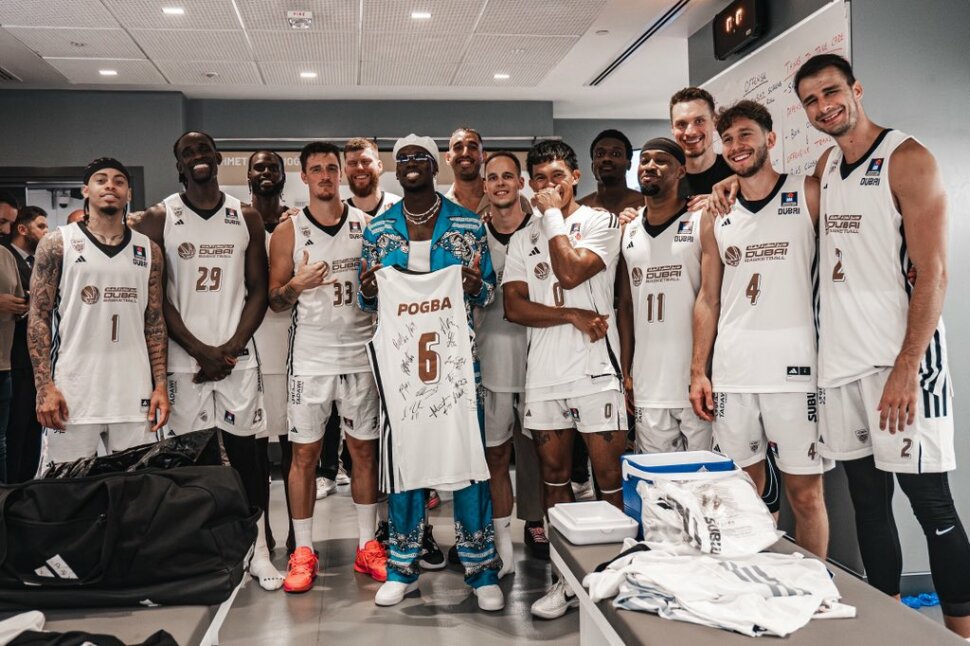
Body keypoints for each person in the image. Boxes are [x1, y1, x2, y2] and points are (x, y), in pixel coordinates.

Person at [795, 54, 968, 634]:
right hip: (841, 366)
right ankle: (888, 629)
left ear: (856, 89)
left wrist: (906, 367)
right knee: (869, 505)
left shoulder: (908, 158)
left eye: (831, 92)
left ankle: (961, 634)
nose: (824, 107)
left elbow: (933, 273)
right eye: (811, 100)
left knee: (933, 507)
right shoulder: (826, 166)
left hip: (901, 368)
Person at [358, 133, 503, 611]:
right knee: (405, 464)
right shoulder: (379, 231)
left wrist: (474, 284)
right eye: (403, 159)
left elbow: (488, 293)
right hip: (402, 372)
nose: (412, 164)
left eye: (421, 157)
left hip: (456, 366)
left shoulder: (467, 224)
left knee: (469, 462)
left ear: (435, 166)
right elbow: (365, 299)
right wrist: (369, 288)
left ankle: (481, 568)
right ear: (395, 169)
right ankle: (402, 567)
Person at [134, 132, 280, 591]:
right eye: (187, 153)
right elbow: (155, 298)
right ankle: (197, 551)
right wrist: (200, 350)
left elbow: (259, 290)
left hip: (238, 360)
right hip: (185, 361)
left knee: (248, 460)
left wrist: (230, 348)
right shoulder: (159, 217)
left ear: (217, 158)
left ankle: (259, 551)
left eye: (203, 150)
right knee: (189, 463)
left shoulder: (245, 216)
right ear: (179, 165)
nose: (197, 157)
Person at [690, 101, 829, 559]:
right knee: (744, 494)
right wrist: (699, 370)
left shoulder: (808, 193)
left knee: (805, 496)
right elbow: (708, 298)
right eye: (728, 139)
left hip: (795, 371)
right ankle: (754, 579)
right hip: (734, 371)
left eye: (745, 135)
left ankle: (813, 583)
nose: (736, 146)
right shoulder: (715, 213)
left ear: (770, 139)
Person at [503, 140, 626, 619]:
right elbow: (515, 307)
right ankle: (566, 579)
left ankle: (614, 574)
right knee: (553, 480)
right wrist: (571, 315)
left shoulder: (601, 221)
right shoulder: (522, 238)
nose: (548, 186)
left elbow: (571, 272)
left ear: (575, 176)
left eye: (557, 176)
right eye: (540, 179)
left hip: (595, 372)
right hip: (545, 376)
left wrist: (553, 215)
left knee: (608, 480)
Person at [268, 141, 387, 592]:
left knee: (364, 452)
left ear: (341, 173)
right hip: (311, 359)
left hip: (360, 354)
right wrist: (296, 285)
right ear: (304, 176)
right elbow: (275, 301)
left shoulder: (367, 226)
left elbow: (383, 291)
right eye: (315, 169)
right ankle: (303, 551)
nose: (324, 175)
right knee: (304, 455)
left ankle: (367, 545)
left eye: (330, 168)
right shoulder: (289, 231)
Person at [27, 159, 168, 470]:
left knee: (136, 488)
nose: (110, 186)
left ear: (129, 192)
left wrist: (160, 385)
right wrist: (44, 388)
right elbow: (38, 316)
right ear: (85, 190)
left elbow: (154, 322)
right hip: (73, 392)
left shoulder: (149, 250)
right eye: (101, 180)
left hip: (133, 391)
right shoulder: (57, 243)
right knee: (66, 489)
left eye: (119, 181)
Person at [616, 138, 711, 454]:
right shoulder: (628, 229)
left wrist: (702, 369)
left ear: (681, 170)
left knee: (705, 474)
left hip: (695, 380)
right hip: (648, 380)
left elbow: (712, 297)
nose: (650, 166)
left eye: (661, 160)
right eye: (645, 160)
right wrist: (627, 370)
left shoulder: (700, 218)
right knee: (658, 479)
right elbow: (626, 304)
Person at [478, 151, 548, 562]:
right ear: (485, 186)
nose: (501, 183)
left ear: (521, 183)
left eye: (508, 176)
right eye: (493, 177)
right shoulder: (473, 237)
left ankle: (536, 521)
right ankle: (500, 536)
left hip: (540, 357)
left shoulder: (543, 229)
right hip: (492, 358)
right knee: (496, 454)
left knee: (542, 452)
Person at [247, 150, 294, 553]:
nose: (265, 173)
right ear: (248, 176)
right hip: (250, 348)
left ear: (283, 176)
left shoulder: (296, 223)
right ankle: (262, 535)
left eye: (272, 168)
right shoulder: (237, 222)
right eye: (258, 167)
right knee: (256, 453)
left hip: (294, 345)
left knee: (297, 447)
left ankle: (299, 534)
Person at [3, 205, 47, 482]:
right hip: (12, 356)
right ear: (22, 229)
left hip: (34, 360)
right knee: (14, 431)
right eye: (40, 226)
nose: (46, 232)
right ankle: (13, 490)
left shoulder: (39, 262)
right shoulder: (5, 257)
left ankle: (29, 487)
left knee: (33, 429)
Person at [0, 192, 24, 483]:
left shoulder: (6, 256)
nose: (6, 230)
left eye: (10, 223)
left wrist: (23, 306)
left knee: (1, 445)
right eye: (1, 222)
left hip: (3, 366)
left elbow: (16, 299)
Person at [577, 129, 644, 216]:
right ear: (592, 167)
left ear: (629, 164)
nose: (606, 159)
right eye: (600, 154)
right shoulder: (580, 209)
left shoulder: (645, 204)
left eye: (616, 154)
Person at [344, 137, 401, 216]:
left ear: (379, 166)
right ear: (345, 170)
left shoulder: (400, 208)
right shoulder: (338, 213)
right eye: (352, 163)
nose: (359, 168)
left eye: (365, 161)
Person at [444, 126, 487, 214]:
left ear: (483, 156)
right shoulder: (442, 207)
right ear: (448, 158)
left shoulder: (505, 198)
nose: (465, 153)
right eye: (458, 147)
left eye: (472, 147)